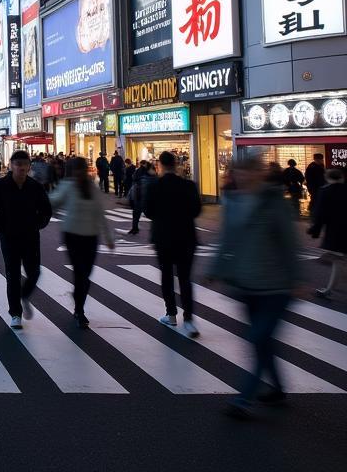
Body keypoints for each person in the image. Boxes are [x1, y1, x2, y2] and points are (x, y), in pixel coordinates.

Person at [210, 153, 303, 418]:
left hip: (277, 285)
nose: (241, 177)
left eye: (246, 172)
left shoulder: (275, 203)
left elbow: (289, 244)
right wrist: (215, 270)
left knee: (258, 337)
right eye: (237, 172)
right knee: (263, 342)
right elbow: (227, 239)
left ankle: (243, 398)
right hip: (246, 283)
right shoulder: (234, 202)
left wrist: (297, 278)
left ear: (259, 173)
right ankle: (278, 389)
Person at [0, 150, 52, 329]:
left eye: (24, 164)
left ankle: (24, 294)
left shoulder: (35, 186)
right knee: (12, 276)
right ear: (11, 165)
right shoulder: (0, 186)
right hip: (9, 238)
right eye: (17, 164)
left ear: (29, 166)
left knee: (34, 272)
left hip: (30, 236)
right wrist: (2, 228)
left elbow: (46, 210)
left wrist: (38, 224)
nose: (21, 167)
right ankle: (15, 313)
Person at [144, 150, 202, 337]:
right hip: (186, 236)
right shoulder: (189, 186)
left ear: (159, 165)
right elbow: (196, 210)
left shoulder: (154, 186)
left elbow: (148, 211)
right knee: (185, 278)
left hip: (163, 237)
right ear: (176, 164)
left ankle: (171, 314)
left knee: (167, 275)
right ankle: (189, 320)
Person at [55, 156, 114, 327]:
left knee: (85, 275)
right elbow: (53, 201)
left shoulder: (92, 187)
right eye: (77, 169)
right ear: (72, 171)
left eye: (82, 169)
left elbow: (100, 213)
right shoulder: (67, 185)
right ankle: (80, 310)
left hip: (91, 236)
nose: (80, 172)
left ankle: (78, 301)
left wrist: (108, 237)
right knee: (80, 273)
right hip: (72, 236)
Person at [310, 166, 346, 299]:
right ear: (341, 177)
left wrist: (315, 230)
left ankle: (328, 290)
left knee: (338, 260)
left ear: (327, 178)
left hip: (336, 231)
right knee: (339, 260)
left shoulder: (325, 191)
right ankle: (328, 290)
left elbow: (320, 213)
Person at [127, 160, 156, 234]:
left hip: (138, 196)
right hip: (145, 198)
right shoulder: (151, 176)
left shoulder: (140, 172)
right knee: (152, 215)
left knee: (136, 213)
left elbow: (133, 179)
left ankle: (135, 228)